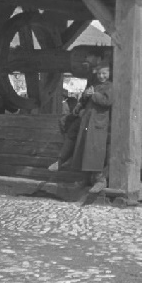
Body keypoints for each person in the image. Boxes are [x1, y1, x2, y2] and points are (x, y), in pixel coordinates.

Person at [49, 63, 113, 192]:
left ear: (110, 73)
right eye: (99, 74)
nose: (101, 76)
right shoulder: (95, 85)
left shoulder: (111, 86)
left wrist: (93, 94)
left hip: (99, 123)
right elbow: (85, 100)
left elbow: (107, 101)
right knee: (84, 149)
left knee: (96, 152)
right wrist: (85, 96)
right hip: (88, 122)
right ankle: (83, 178)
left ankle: (100, 180)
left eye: (104, 73)